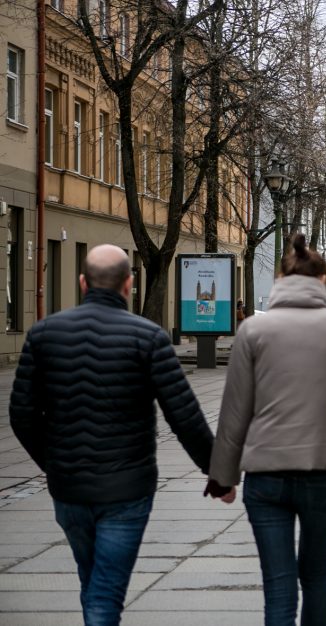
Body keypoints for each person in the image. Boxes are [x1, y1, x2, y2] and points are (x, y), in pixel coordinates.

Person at [10, 244, 219, 626]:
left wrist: (54, 463)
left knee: (92, 580)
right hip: (127, 488)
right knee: (105, 591)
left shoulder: (43, 334)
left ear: (82, 282)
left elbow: (21, 414)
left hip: (69, 487)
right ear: (129, 283)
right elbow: (184, 415)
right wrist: (217, 472)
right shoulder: (148, 337)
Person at [209, 235, 326, 626]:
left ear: (281, 277)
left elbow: (234, 412)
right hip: (325, 469)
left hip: (266, 475)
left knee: (277, 583)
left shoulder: (253, 332)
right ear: (323, 280)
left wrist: (223, 476)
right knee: (315, 574)